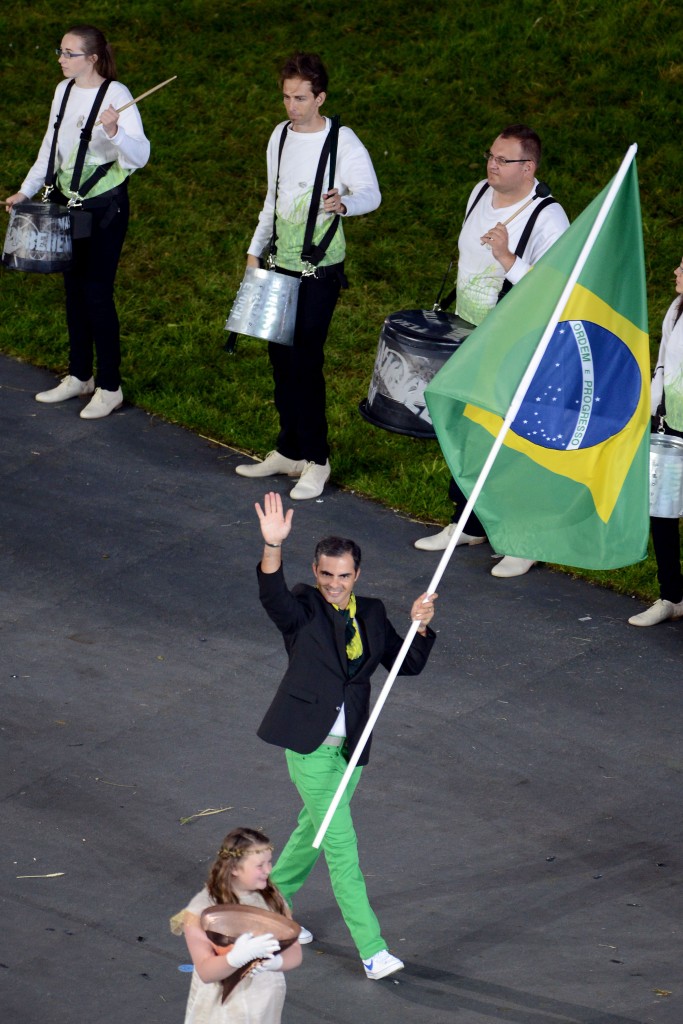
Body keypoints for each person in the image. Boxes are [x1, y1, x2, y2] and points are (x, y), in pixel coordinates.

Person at [254, 490, 437, 980]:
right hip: (309, 751)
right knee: (341, 848)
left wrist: (421, 626)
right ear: (315, 572)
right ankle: (373, 949)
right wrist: (273, 547)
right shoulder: (302, 608)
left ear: (357, 576)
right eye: (326, 574)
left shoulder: (373, 613)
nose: (334, 584)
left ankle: (271, 906)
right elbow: (272, 596)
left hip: (352, 751)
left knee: (310, 833)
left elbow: (409, 665)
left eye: (344, 576)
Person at [415, 125, 569, 577]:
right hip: (470, 333)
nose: (492, 165)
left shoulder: (547, 217)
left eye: (503, 160)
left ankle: (525, 538)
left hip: (515, 342)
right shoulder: (479, 192)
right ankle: (467, 521)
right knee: (468, 429)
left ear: (529, 168)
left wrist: (507, 258)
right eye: (490, 156)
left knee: (512, 439)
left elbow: (554, 292)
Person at [235, 52, 381, 500]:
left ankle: (317, 460)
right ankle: (289, 448)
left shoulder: (343, 141)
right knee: (279, 359)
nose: (291, 106)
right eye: (286, 97)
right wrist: (254, 250)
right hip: (279, 262)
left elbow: (371, 194)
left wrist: (344, 204)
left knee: (305, 361)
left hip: (319, 270)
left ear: (321, 97)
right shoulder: (278, 136)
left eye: (300, 98)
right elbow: (271, 199)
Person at [4, 24, 150, 419]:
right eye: (61, 51)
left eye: (69, 53)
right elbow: (52, 147)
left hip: (105, 208)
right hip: (68, 204)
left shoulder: (116, 95)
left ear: (93, 58)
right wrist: (26, 189)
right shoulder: (63, 91)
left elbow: (139, 157)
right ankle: (80, 375)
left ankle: (110, 386)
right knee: (74, 292)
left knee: (97, 293)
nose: (61, 59)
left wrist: (115, 130)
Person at [172, 826, 302, 1024]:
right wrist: (237, 957)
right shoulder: (202, 910)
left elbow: (295, 952)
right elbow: (207, 973)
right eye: (260, 865)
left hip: (263, 999)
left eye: (269, 862)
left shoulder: (272, 900)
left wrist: (274, 963)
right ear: (234, 868)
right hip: (220, 1009)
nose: (268, 870)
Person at [629, 257, 683, 627]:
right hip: (670, 428)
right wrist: (650, 412)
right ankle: (671, 597)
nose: (675, 272)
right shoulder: (677, 308)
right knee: (661, 514)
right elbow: (663, 362)